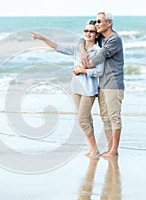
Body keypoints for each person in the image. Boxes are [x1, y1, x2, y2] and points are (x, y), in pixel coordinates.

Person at [31, 20, 104, 158]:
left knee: (82, 120)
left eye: (91, 31)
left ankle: (94, 150)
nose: (88, 33)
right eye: (86, 30)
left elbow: (99, 71)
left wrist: (83, 70)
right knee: (86, 119)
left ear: (96, 35)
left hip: (89, 90)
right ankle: (93, 149)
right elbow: (59, 47)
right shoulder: (78, 48)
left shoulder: (99, 51)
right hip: (76, 88)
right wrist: (42, 38)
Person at [79, 12, 125, 158]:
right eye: (96, 22)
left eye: (100, 21)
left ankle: (114, 150)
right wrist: (82, 50)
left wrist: (85, 67)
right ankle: (110, 148)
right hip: (103, 84)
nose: (97, 24)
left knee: (114, 117)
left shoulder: (114, 39)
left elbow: (100, 57)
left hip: (113, 84)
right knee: (105, 117)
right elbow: (82, 40)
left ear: (109, 23)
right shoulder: (102, 39)